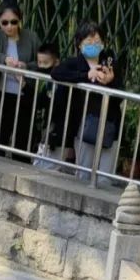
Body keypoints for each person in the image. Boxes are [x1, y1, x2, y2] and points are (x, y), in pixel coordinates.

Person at [50, 22, 125, 182]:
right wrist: (86, 76)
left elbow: (120, 93)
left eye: (97, 41)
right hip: (84, 124)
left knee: (105, 177)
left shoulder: (110, 64)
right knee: (84, 173)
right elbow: (56, 73)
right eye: (89, 41)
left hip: (108, 124)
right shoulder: (75, 63)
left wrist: (110, 82)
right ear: (79, 44)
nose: (93, 45)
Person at [0, 0, 41, 160]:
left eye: (14, 22)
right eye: (5, 22)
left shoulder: (31, 38)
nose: (9, 26)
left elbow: (41, 62)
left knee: (23, 139)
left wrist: (26, 66)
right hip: (1, 93)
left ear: (20, 20)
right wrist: (4, 60)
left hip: (24, 94)